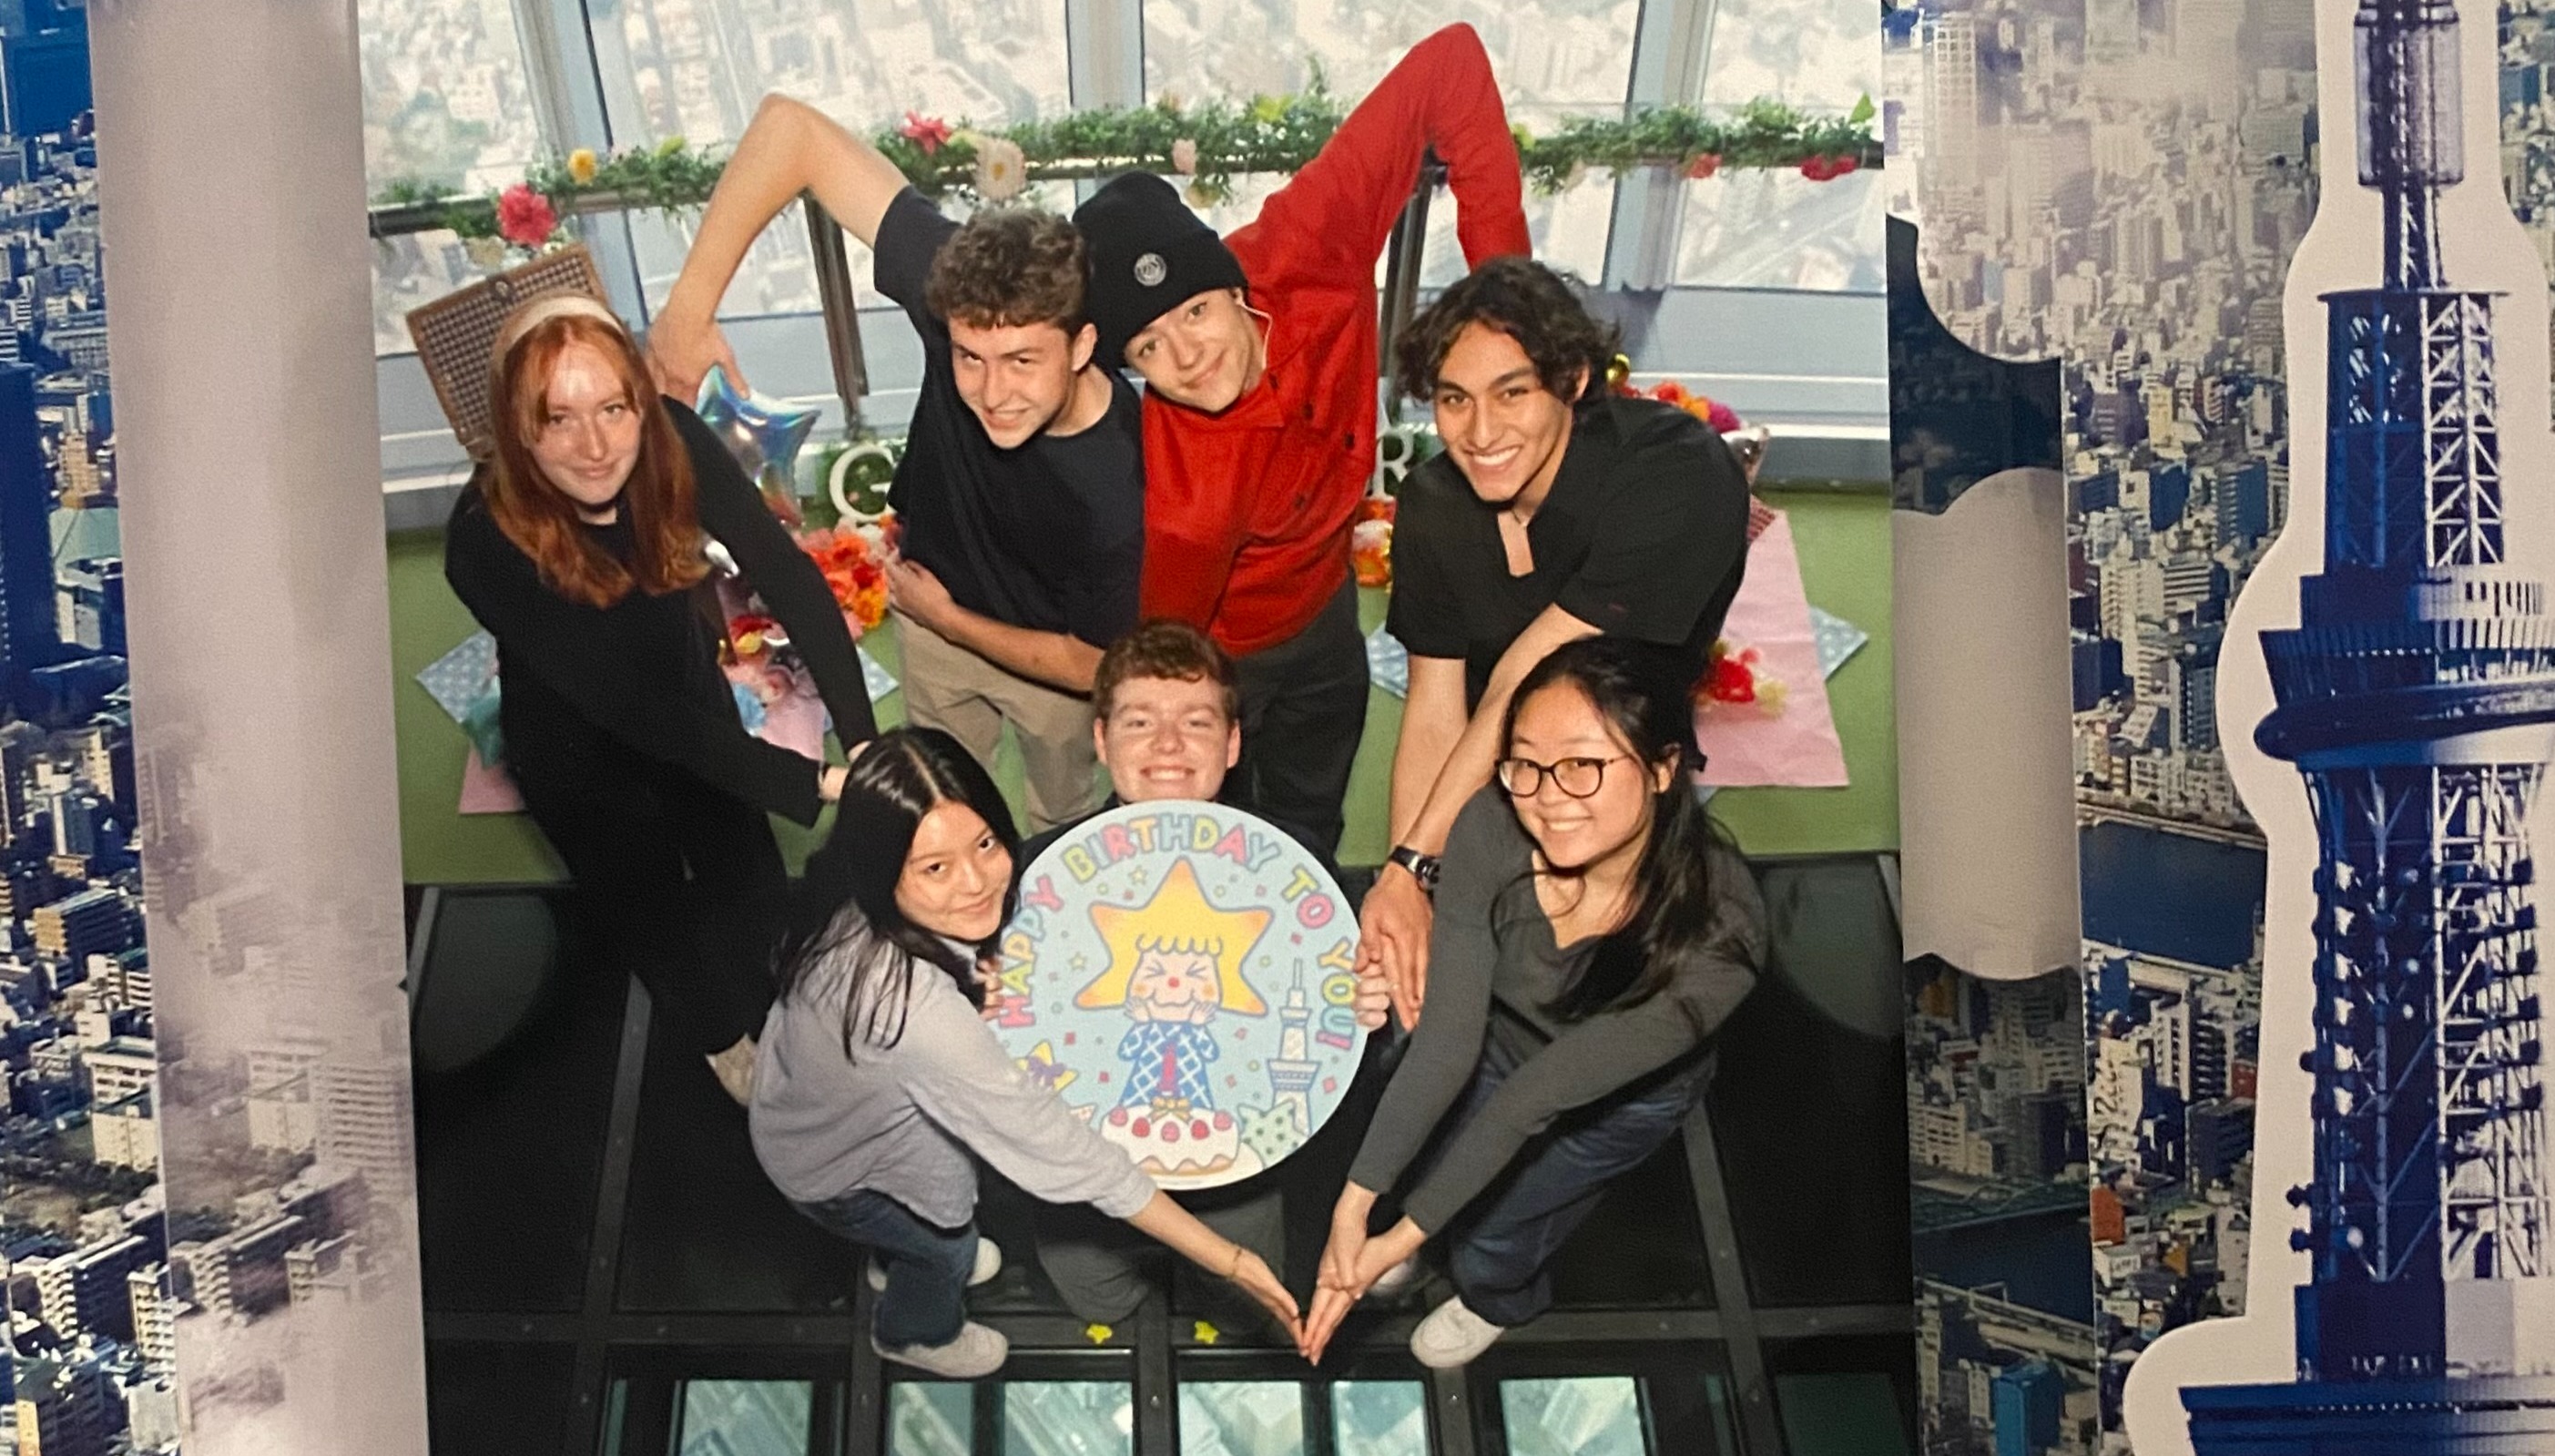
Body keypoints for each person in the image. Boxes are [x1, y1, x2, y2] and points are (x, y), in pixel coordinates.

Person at [1071, 22, 1531, 854]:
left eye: (1197, 313)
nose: (1188, 356)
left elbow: (1449, 59)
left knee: (1310, 825)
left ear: (1231, 285)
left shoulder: (1310, 240)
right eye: (1149, 350)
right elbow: (1163, 660)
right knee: (1207, 833)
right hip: (1228, 650)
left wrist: (1511, 299)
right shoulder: (1189, 502)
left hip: (1326, 612)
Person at [650, 94, 1142, 832]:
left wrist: (948, 617)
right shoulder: (957, 294)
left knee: (1061, 818)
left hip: (1045, 667)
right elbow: (792, 131)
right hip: (933, 629)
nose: (992, 392)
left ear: (1080, 346)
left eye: (1022, 361)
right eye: (969, 358)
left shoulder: (1122, 483)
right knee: (944, 808)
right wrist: (689, 307)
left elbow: (1091, 665)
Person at [748, 728, 1301, 1376]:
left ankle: (898, 1248)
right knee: (944, 1250)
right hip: (838, 1170)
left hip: (798, 1104)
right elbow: (1072, 1156)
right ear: (883, 868)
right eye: (935, 868)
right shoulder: (917, 1015)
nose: (978, 881)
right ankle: (912, 1329)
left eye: (984, 842)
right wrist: (1231, 1260)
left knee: (913, 1232)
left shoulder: (847, 897)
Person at [443, 294, 878, 1104]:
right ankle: (726, 1044)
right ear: (517, 429)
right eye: (560, 419)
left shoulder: (672, 436)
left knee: (743, 871)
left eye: (613, 408)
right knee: (652, 912)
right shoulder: (480, 538)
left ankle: (775, 993)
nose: (598, 445)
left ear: (640, 401)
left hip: (688, 689)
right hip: (578, 747)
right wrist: (814, 782)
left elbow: (784, 575)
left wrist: (866, 741)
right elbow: (633, 713)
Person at [1301, 637, 1765, 1369]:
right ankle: (1420, 1239)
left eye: (1584, 765)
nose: (1548, 798)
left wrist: (1392, 1238)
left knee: (1498, 1234)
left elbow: (1534, 1102)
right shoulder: (1490, 823)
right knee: (1431, 1168)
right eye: (1526, 763)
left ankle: (1499, 1299)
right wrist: (1354, 1210)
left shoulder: (1720, 937)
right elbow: (1447, 1044)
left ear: (1663, 768)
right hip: (1495, 1044)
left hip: (1610, 1106)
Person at [1359, 257, 1753, 1028]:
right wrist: (1412, 882)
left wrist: (1412, 865)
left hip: (1622, 775)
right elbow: (1437, 705)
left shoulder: (1675, 472)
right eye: (1453, 400)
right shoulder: (1437, 505)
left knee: (1612, 995)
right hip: (1495, 762)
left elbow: (1526, 672)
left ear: (1572, 379)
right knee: (1462, 997)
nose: (1479, 432)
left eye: (1512, 393)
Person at [1008, 619, 1390, 1326]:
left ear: (1234, 742)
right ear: (1100, 740)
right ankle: (1113, 1318)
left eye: (1196, 720)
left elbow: (1338, 1039)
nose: (1168, 745)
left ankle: (1216, 1318)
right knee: (1099, 1290)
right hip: (1079, 1186)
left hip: (1239, 1176)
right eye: (1139, 721)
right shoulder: (1028, 874)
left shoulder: (1302, 871)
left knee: (1238, 1297)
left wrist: (1369, 1007)